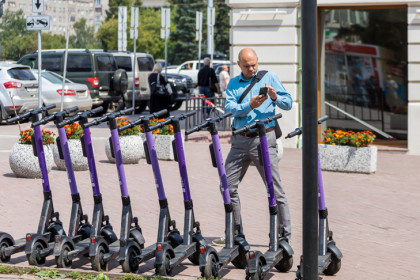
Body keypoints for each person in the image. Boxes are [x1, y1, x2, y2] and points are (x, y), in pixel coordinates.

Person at [212, 48, 293, 245]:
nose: (251, 68)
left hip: (264, 138)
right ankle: (234, 233)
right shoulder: (233, 83)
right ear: (238, 64)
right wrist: (250, 105)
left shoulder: (270, 78)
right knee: (227, 186)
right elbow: (230, 109)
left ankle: (283, 237)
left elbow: (288, 103)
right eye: (247, 65)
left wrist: (274, 97)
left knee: (274, 188)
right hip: (240, 140)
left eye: (254, 64)